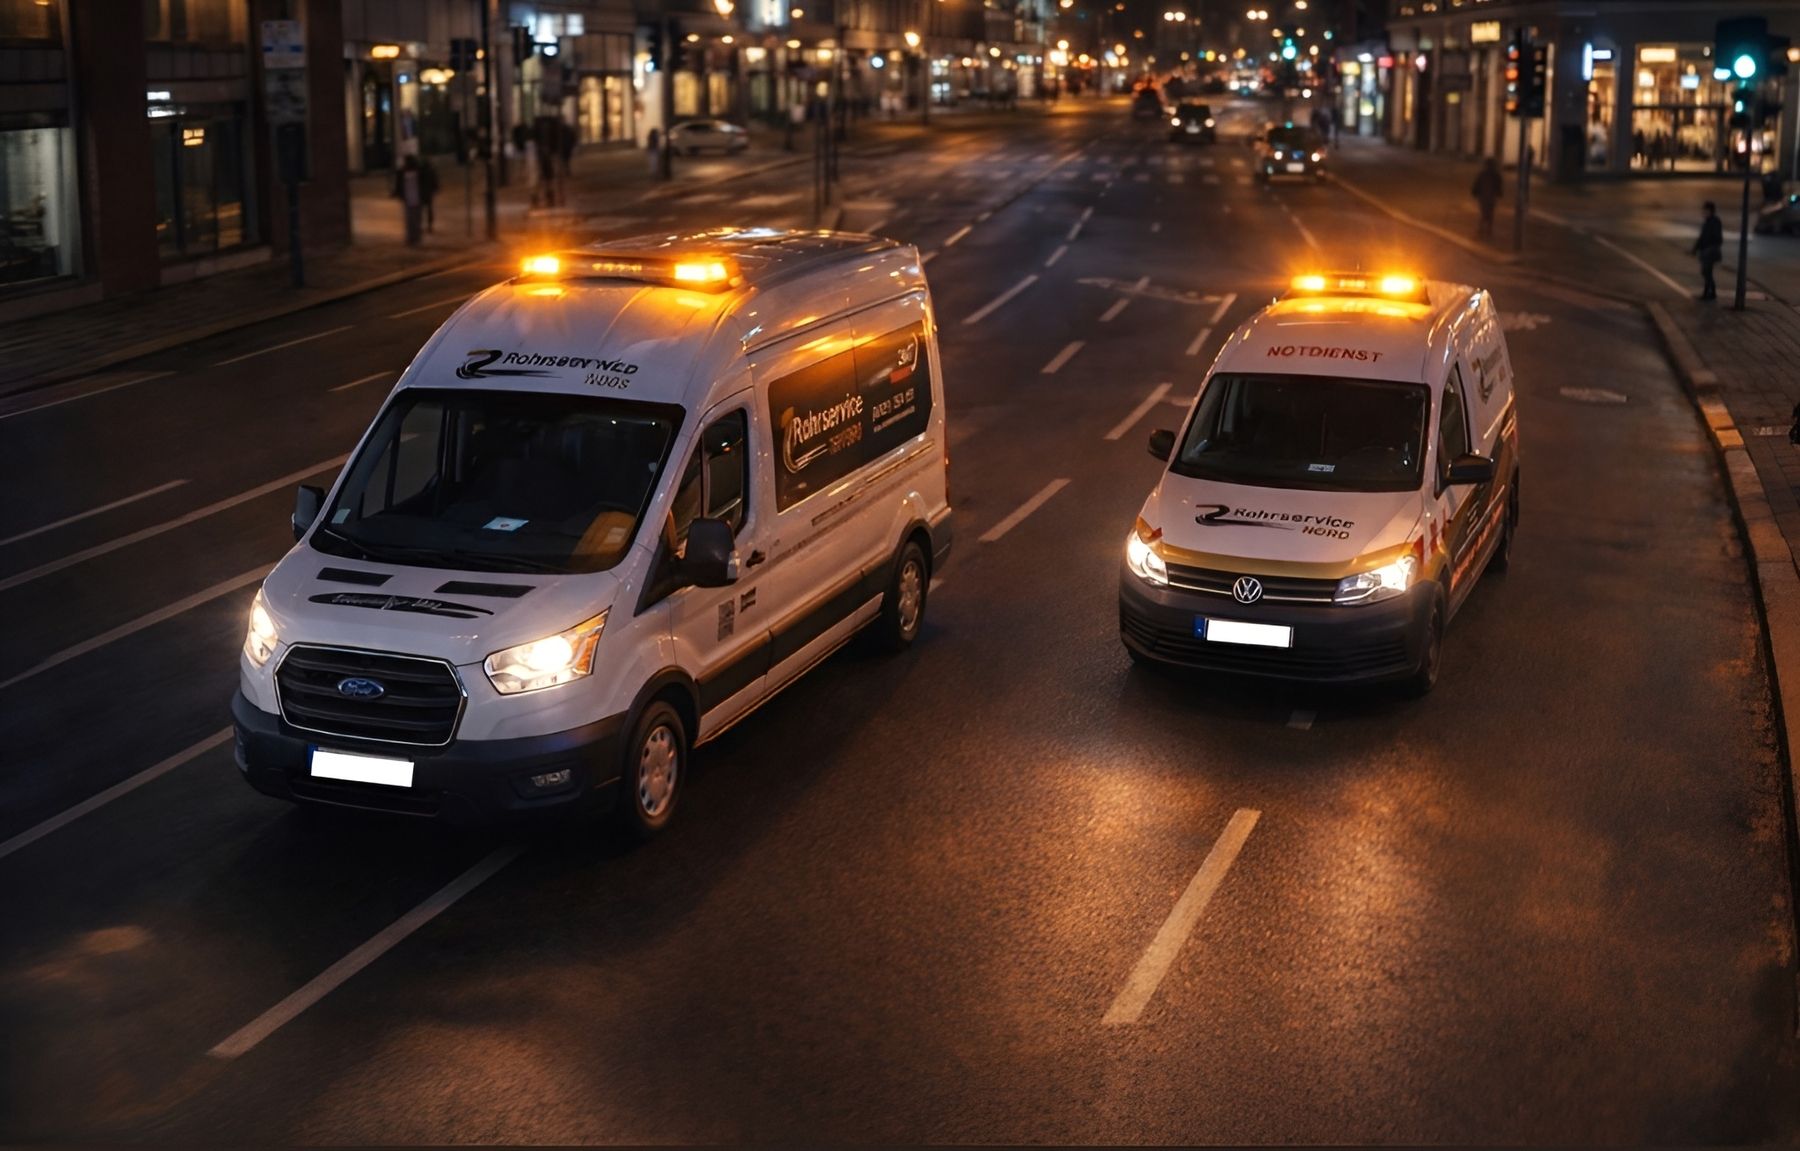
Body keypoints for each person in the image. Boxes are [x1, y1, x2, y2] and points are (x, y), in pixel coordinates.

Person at [1693, 200, 1724, 300]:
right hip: (1706, 251)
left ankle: (1710, 293)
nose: (1703, 213)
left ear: (1710, 211)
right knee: (1707, 272)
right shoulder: (1707, 222)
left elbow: (1716, 238)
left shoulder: (1715, 222)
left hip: (1710, 251)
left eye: (1705, 211)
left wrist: (1708, 246)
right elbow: (1701, 238)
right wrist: (1695, 249)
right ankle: (1709, 292)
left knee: (1706, 272)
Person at [1471, 156, 1502, 240]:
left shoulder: (1483, 174)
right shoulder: (1495, 175)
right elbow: (1498, 186)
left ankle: (1483, 228)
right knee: (1490, 212)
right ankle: (1487, 228)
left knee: (1484, 212)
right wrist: (1499, 193)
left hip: (1484, 197)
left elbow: (1477, 184)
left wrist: (1475, 192)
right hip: (1490, 197)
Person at [417, 153, 438, 235]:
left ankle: (422, 225)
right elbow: (434, 181)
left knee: (422, 210)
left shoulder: (420, 170)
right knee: (429, 210)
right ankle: (429, 226)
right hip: (428, 193)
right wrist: (435, 189)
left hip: (422, 193)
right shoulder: (431, 170)